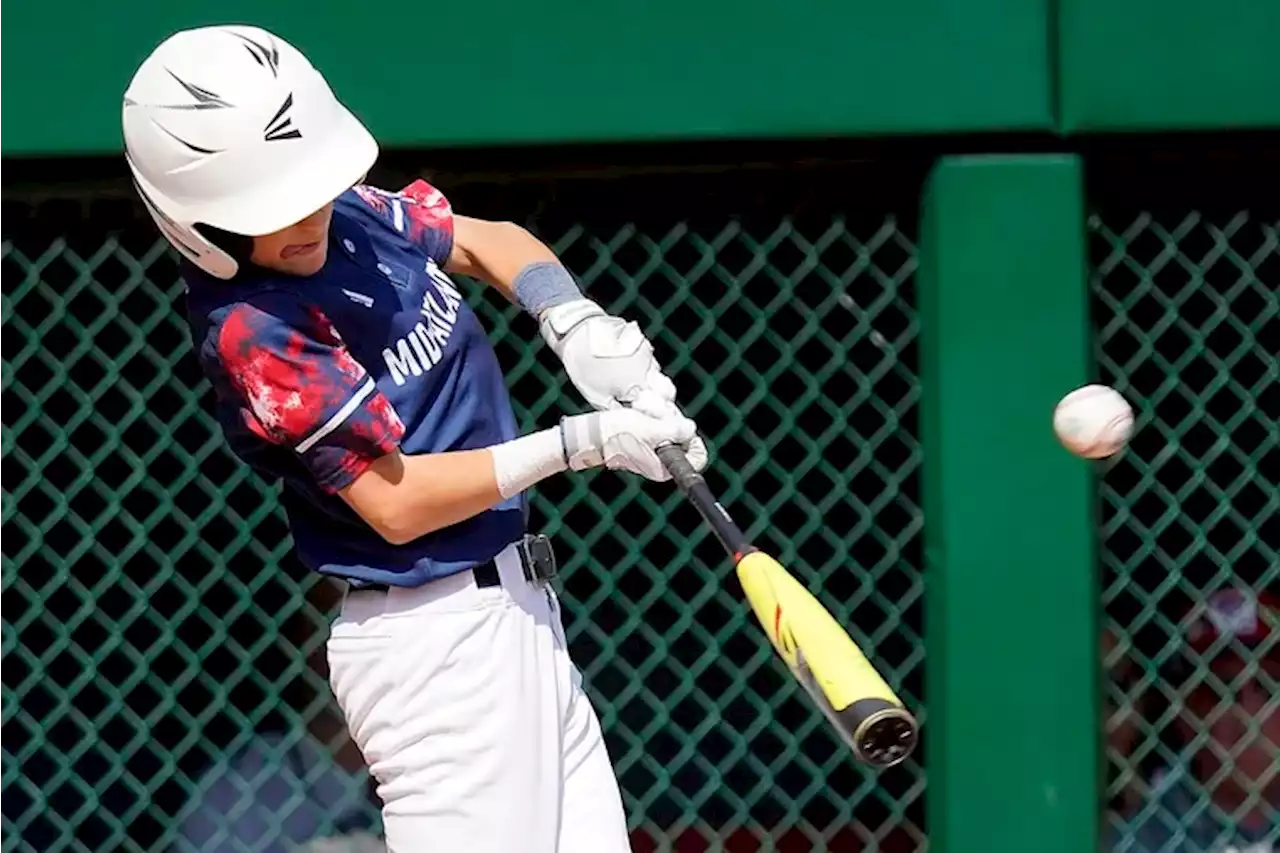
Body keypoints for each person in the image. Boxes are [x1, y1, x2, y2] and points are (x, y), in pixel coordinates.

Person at [122, 24, 708, 853]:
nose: (307, 216)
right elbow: (394, 503)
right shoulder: (253, 327)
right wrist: (580, 443)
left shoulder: (344, 215)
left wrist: (573, 319)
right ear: (197, 225)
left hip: (521, 617)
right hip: (436, 651)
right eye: (274, 208)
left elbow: (484, 238)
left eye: (310, 187)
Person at [1107, 587, 1279, 852]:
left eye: (1268, 689)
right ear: (1185, 712)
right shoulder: (1139, 841)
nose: (1248, 714)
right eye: (1223, 691)